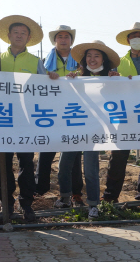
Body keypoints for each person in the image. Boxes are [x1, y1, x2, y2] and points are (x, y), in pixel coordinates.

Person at [0, 15, 59, 222]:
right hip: (1, 118)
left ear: (28, 37)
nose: (19, 36)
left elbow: (45, 87)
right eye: (16, 32)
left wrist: (52, 78)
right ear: (8, 35)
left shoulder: (35, 61)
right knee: (2, 164)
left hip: (26, 120)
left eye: (23, 33)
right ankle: (6, 204)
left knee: (26, 163)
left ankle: (26, 205)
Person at [56, 40, 121, 219]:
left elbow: (122, 97)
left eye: (97, 56)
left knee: (91, 168)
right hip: (75, 127)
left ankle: (93, 204)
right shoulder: (77, 77)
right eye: (89, 56)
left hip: (95, 130)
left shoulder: (111, 77)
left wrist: (120, 82)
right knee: (64, 165)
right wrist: (68, 82)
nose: (92, 59)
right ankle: (65, 197)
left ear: (103, 59)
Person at [102, 22, 140, 203]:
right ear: (128, 40)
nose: (137, 40)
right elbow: (107, 87)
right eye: (133, 36)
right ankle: (111, 196)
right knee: (118, 155)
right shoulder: (117, 62)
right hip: (124, 114)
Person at [36, 25, 84, 205]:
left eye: (67, 36)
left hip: (73, 112)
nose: (63, 39)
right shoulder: (43, 62)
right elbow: (36, 83)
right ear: (55, 40)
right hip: (50, 112)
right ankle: (39, 190)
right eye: (60, 36)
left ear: (71, 40)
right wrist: (46, 77)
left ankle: (76, 192)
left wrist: (78, 76)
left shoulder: (80, 61)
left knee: (73, 155)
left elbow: (88, 81)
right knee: (46, 151)